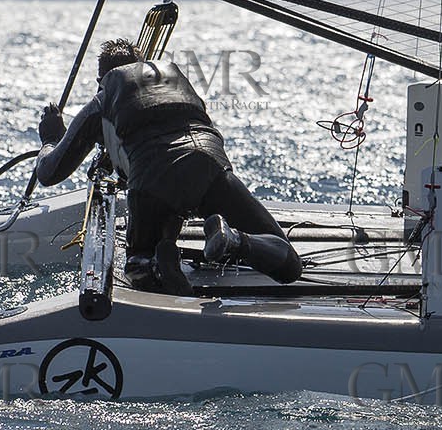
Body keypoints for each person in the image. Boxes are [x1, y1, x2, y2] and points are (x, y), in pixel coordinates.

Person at [36, 39, 303, 294]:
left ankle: (156, 264)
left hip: (153, 180)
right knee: (290, 264)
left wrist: (50, 138)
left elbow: (49, 172)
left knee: (138, 267)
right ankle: (234, 240)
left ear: (100, 81)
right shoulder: (179, 84)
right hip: (209, 164)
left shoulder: (102, 101)